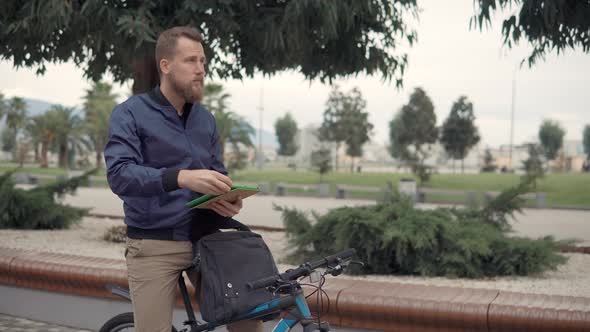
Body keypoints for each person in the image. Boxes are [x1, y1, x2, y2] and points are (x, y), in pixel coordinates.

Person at [104, 26, 262, 332]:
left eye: (203, 62)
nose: (201, 70)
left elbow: (216, 172)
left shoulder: (205, 120)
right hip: (153, 243)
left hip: (207, 240)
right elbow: (120, 175)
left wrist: (226, 199)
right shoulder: (129, 114)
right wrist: (181, 178)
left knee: (250, 323)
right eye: (191, 61)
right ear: (165, 65)